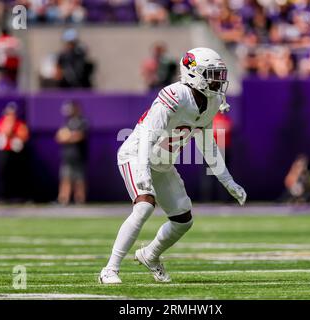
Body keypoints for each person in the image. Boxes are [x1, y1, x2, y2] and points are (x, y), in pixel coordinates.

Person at [99, 48, 247, 284]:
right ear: (193, 73)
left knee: (183, 220)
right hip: (137, 155)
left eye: (219, 74)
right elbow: (148, 134)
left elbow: (207, 144)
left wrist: (228, 181)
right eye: (211, 74)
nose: (217, 81)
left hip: (163, 163)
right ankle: (110, 269)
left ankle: (150, 255)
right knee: (144, 207)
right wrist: (142, 171)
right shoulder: (176, 94)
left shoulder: (212, 100)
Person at [0, 102, 30, 202]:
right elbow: (5, 132)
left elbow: (24, 136)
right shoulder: (1, 122)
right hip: (5, 152)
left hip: (17, 153)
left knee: (18, 175)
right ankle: (4, 196)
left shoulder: (20, 124)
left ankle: (19, 197)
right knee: (4, 174)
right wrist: (10, 125)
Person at [55, 100, 88, 205]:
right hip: (67, 156)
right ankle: (63, 199)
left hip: (78, 156)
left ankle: (80, 200)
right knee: (65, 178)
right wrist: (69, 136)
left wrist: (68, 136)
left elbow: (79, 136)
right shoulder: (66, 122)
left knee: (79, 179)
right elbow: (59, 136)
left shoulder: (83, 121)